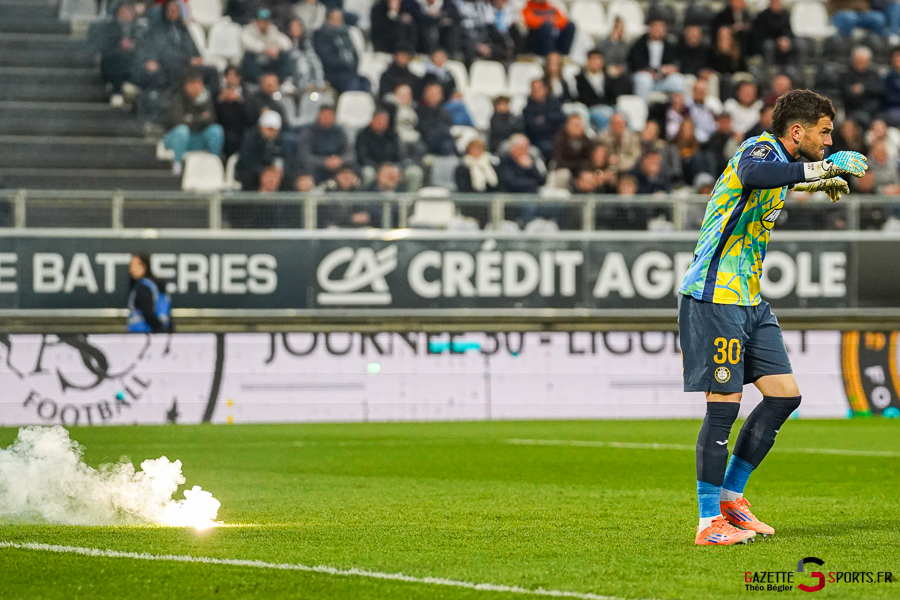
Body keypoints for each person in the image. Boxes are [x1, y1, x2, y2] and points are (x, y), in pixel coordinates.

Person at [679, 90, 867, 545]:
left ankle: (731, 499)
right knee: (724, 406)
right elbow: (753, 173)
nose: (829, 142)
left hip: (749, 299)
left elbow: (776, 181)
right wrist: (821, 170)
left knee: (784, 396)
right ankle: (708, 523)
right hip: (715, 295)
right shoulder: (759, 148)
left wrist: (814, 184)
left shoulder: (782, 165)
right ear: (797, 131)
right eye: (824, 133)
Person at [162, 71, 224, 175]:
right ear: (187, 85)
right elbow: (178, 120)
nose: (196, 88)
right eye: (193, 84)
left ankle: (214, 163)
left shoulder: (206, 99)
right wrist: (200, 118)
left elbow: (211, 119)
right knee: (182, 131)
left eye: (199, 84)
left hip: (196, 137)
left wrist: (191, 119)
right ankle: (177, 164)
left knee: (216, 130)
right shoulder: (178, 98)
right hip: (175, 138)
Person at [627, 18, 684, 103]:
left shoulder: (669, 45)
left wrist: (671, 68)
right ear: (649, 28)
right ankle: (642, 107)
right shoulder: (639, 44)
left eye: (661, 28)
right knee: (644, 80)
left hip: (662, 77)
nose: (658, 30)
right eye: (656, 27)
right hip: (644, 76)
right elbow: (635, 63)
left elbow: (674, 62)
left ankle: (675, 109)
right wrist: (649, 72)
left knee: (678, 80)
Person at [236, 110, 294, 191]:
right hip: (254, 175)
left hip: (277, 174)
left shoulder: (282, 141)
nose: (271, 132)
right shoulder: (250, 140)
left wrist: (278, 170)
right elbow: (246, 161)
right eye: (268, 128)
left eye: (274, 129)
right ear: (261, 127)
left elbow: (288, 159)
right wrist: (264, 171)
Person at [314, 8, 369, 93]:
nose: (339, 20)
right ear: (329, 19)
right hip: (334, 73)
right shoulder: (322, 35)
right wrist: (346, 64)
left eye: (341, 18)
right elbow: (328, 58)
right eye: (336, 18)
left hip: (350, 72)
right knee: (354, 85)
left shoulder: (345, 33)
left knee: (365, 83)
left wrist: (353, 64)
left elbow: (353, 52)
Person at [298, 104, 354, 182]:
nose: (327, 118)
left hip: (338, 166)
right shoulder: (308, 132)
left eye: (329, 115)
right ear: (318, 116)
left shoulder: (340, 132)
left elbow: (350, 154)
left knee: (350, 172)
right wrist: (324, 162)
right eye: (324, 115)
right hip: (316, 168)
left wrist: (340, 160)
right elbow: (305, 156)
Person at [240, 9, 293, 84]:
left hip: (268, 61)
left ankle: (283, 82)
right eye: (261, 21)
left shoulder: (272, 29)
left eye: (266, 21)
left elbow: (287, 42)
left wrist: (277, 47)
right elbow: (248, 43)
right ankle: (254, 83)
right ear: (256, 21)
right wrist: (265, 48)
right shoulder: (248, 30)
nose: (263, 24)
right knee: (248, 56)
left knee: (283, 55)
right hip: (254, 62)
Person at [522, 78, 567, 160]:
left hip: (558, 136)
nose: (537, 92)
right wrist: (551, 121)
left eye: (539, 88)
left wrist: (545, 119)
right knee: (547, 147)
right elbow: (535, 129)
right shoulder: (527, 109)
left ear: (545, 89)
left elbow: (562, 118)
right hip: (541, 140)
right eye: (534, 89)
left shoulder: (554, 102)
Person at [127, 254, 172, 333]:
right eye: (131, 265)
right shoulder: (156, 286)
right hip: (160, 334)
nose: (132, 269)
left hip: (142, 333)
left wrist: (161, 330)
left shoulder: (143, 287)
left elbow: (148, 314)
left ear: (145, 266)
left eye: (136, 265)